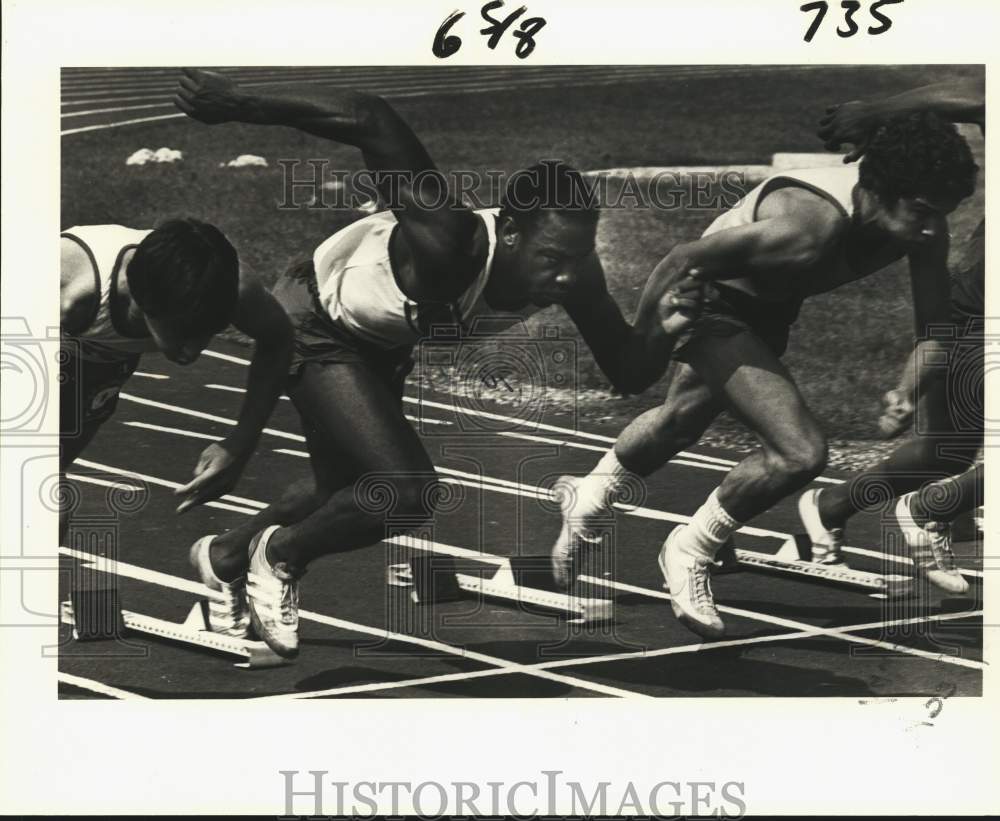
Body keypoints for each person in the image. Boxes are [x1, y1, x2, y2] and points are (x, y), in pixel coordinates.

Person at [172, 68, 703, 658]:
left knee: (342, 487)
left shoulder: (573, 275)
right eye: (552, 257)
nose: (565, 277)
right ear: (508, 233)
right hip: (314, 317)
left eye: (579, 258)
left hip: (379, 340)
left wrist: (665, 328)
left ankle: (223, 556)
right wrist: (241, 102)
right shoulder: (450, 242)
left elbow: (627, 372)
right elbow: (372, 116)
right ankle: (277, 556)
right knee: (406, 490)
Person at [551, 108, 978, 639]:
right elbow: (683, 259)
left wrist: (906, 391)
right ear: (883, 188)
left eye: (947, 212)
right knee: (799, 452)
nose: (935, 227)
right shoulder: (810, 226)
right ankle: (690, 549)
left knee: (680, 421)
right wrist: (641, 346)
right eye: (923, 210)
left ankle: (589, 495)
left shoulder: (919, 229)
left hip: (769, 308)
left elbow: (935, 327)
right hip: (711, 302)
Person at [60, 218, 294, 635]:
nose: (193, 351)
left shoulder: (231, 288)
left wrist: (240, 442)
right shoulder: (65, 289)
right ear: (140, 299)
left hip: (95, 362)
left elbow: (278, 338)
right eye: (185, 333)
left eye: (207, 334)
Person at [799, 78, 985, 596]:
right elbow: (985, 93)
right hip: (982, 301)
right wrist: (881, 110)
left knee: (943, 452)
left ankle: (829, 508)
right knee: (946, 449)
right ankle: (932, 510)